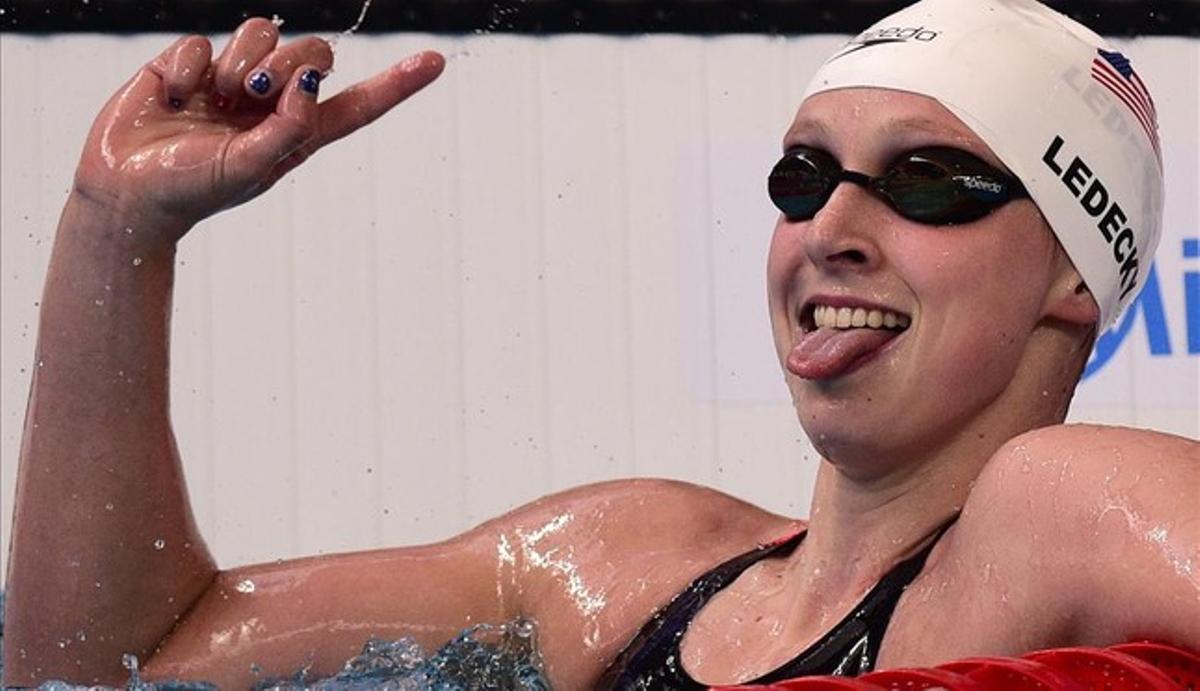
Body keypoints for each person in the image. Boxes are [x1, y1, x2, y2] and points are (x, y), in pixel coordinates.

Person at [4, 0, 1197, 688]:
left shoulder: (1062, 507)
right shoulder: (628, 560)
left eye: (927, 182)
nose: (830, 227)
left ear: (1070, 282)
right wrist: (118, 230)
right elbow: (116, 664)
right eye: (803, 176)